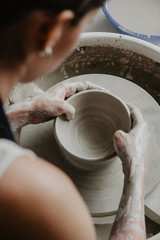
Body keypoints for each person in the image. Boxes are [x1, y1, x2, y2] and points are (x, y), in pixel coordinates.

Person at [0, 1, 149, 239]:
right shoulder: (44, 197)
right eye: (86, 24)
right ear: (50, 32)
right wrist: (136, 170)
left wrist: (23, 112)